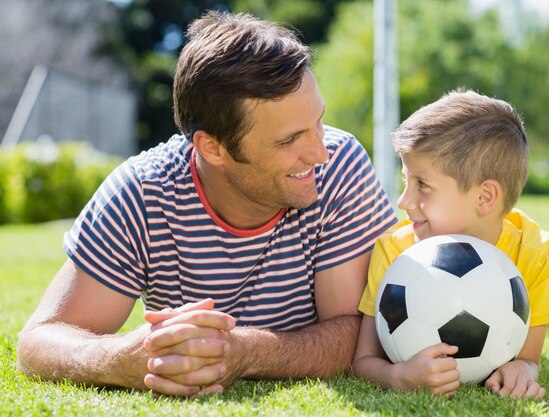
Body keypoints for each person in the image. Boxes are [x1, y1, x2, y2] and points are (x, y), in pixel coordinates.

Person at [17, 10, 397, 397]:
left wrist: (245, 352)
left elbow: (357, 332)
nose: (319, 152)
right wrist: (120, 358)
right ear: (212, 148)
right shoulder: (143, 192)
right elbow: (38, 342)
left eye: (318, 121)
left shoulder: (341, 165)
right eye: (289, 140)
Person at [352, 89, 549, 398]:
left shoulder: (541, 255)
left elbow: (527, 358)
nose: (403, 201)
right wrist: (396, 375)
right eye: (406, 182)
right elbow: (364, 361)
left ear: (484, 197)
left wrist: (523, 368)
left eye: (422, 185)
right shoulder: (395, 252)